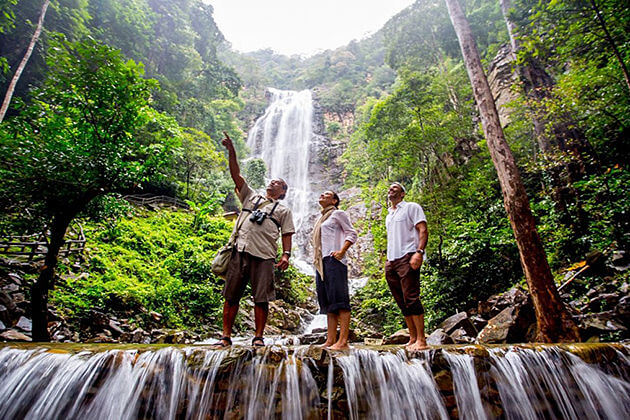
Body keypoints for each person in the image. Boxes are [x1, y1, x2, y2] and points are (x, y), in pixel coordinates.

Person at [215, 132, 295, 348]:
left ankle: (258, 337)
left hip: (264, 256)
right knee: (231, 296)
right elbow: (236, 175)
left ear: (283, 192)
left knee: (261, 298)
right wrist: (231, 151)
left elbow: (287, 234)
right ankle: (225, 336)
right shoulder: (251, 196)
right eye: (271, 181)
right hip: (240, 250)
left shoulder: (284, 210)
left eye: (277, 183)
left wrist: (286, 255)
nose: (272, 183)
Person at [385, 182, 429, 351]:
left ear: (402, 194)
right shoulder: (389, 215)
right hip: (392, 260)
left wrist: (419, 252)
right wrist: (388, 261)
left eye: (395, 188)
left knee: (411, 297)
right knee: (401, 300)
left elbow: (422, 230)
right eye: (389, 188)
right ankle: (412, 338)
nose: (391, 189)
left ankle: (421, 340)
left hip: (408, 255)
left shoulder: (411, 207)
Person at [312, 190, 357, 350]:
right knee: (329, 304)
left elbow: (352, 233)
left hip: (334, 261)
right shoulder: (321, 218)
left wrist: (341, 251)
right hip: (321, 263)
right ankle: (330, 340)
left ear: (334, 200)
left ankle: (343, 341)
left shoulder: (338, 214)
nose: (322, 195)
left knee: (340, 302)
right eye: (321, 194)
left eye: (327, 194)